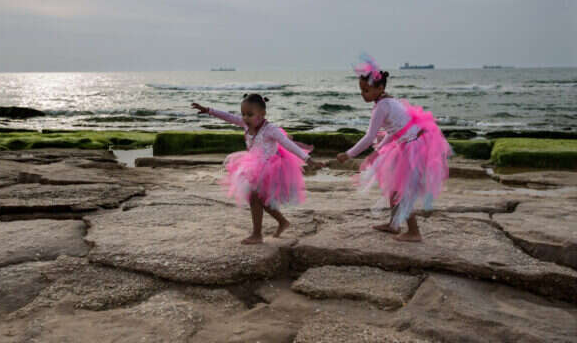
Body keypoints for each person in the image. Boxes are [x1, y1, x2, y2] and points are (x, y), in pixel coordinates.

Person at [337, 55, 451, 242]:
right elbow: (394, 130)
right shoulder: (388, 101)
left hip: (412, 146)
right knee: (394, 187)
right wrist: (379, 150)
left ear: (380, 88)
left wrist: (349, 154)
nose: (363, 94)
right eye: (361, 90)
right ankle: (394, 224)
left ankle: (414, 232)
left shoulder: (381, 107)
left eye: (366, 90)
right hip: (410, 141)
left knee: (402, 191)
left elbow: (369, 137)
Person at [192, 93, 323, 244]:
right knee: (259, 199)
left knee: (255, 198)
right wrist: (209, 110)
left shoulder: (270, 129)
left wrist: (308, 159)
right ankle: (282, 222)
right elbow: (228, 117)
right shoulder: (246, 124)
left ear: (262, 114)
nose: (245, 118)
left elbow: (288, 144)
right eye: (243, 114)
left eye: (250, 114)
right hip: (252, 168)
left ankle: (257, 234)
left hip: (270, 169)